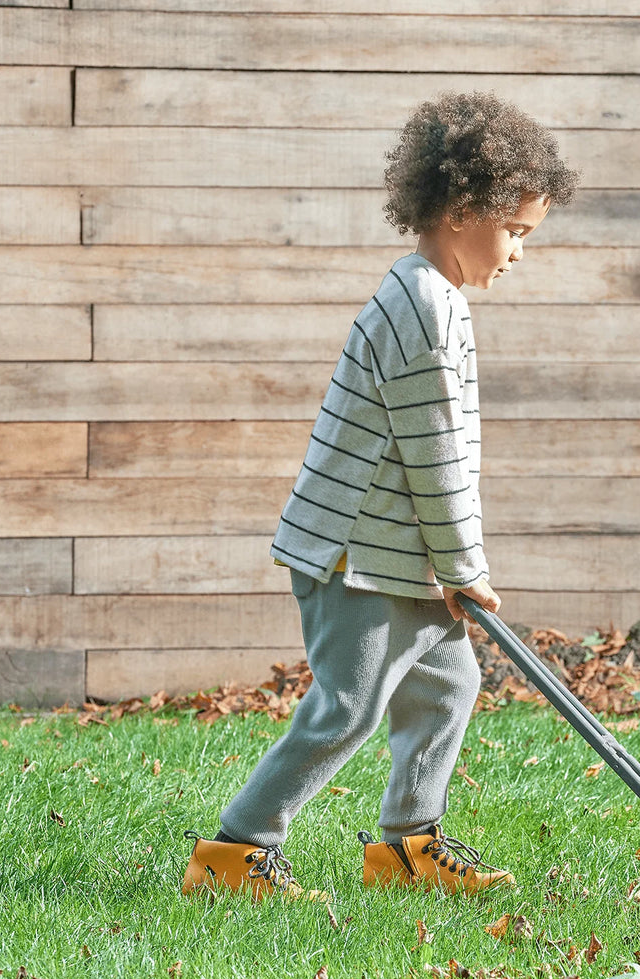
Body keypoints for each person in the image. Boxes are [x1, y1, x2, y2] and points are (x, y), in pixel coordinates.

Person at [181, 92, 578, 900]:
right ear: (466, 209)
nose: (521, 253)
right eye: (518, 232)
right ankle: (233, 854)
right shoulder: (422, 310)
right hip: (354, 557)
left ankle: (407, 848)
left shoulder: (437, 299)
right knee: (349, 708)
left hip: (402, 558)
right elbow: (436, 458)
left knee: (448, 685)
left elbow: (443, 454)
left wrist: (448, 568)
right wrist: (466, 565)